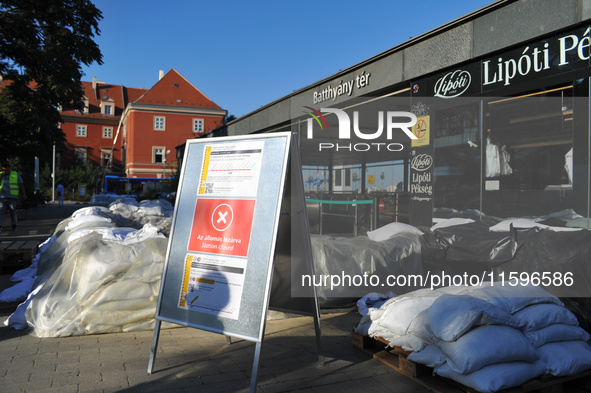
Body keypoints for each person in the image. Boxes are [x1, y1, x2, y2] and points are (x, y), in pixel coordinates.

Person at [0, 159, 26, 232]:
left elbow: (21, 184)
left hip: (12, 197)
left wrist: (23, 194)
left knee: (12, 211)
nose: (6, 170)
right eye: (4, 168)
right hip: (2, 197)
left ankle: (14, 225)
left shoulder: (15, 174)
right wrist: (1, 177)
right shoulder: (0, 174)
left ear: (10, 168)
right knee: (1, 212)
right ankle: (0, 226)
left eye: (7, 168)